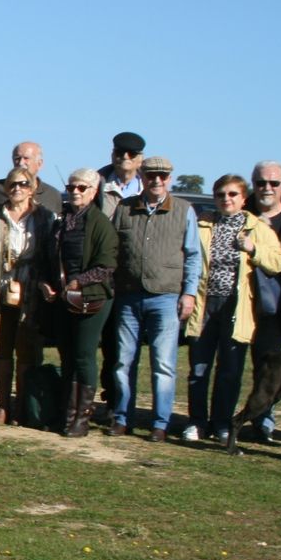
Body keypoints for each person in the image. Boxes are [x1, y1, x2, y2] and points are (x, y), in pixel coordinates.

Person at [182, 176, 281, 444]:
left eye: (232, 194)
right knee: (198, 369)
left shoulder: (257, 228)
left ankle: (222, 423)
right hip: (205, 304)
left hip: (238, 307)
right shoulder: (203, 223)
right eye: (220, 194)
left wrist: (254, 249)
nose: (225, 199)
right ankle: (196, 422)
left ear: (243, 198)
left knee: (230, 369)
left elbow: (279, 263)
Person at [107, 156, 200, 441]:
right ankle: (122, 418)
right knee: (123, 362)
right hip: (128, 296)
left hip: (166, 297)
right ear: (142, 177)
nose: (156, 180)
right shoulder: (124, 208)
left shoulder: (184, 210)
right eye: (151, 175)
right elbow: (112, 250)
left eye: (162, 176)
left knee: (163, 364)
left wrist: (189, 292)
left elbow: (194, 256)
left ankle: (160, 424)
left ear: (169, 179)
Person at [0, 167, 55, 426]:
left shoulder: (45, 217)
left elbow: (50, 255)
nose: (17, 188)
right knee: (1, 350)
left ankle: (21, 406)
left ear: (31, 188)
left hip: (31, 291)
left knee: (27, 351)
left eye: (22, 184)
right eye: (12, 184)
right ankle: (4, 405)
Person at [43, 169, 118, 437]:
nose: (75, 192)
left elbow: (107, 265)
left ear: (94, 191)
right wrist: (48, 283)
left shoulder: (100, 223)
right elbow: (50, 258)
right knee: (66, 354)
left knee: (84, 355)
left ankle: (81, 418)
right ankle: (67, 414)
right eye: (72, 187)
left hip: (92, 297)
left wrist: (77, 283)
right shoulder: (62, 221)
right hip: (63, 298)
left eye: (82, 188)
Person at [242, 161, 281, 442]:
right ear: (253, 184)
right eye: (261, 183)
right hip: (248, 302)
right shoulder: (240, 214)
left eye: (274, 183)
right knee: (261, 368)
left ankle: (268, 423)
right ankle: (255, 421)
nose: (267, 188)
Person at [97, 130, 144, 219]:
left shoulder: (149, 187)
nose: (125, 157)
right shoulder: (95, 185)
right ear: (112, 155)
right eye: (120, 152)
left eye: (132, 154)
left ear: (141, 159)